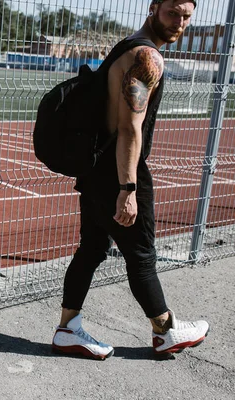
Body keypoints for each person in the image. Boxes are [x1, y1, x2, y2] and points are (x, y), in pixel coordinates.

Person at [52, 0, 209, 360]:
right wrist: (129, 188)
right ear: (154, 8)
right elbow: (129, 127)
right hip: (119, 171)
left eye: (186, 16)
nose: (179, 22)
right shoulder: (147, 57)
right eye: (173, 12)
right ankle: (165, 331)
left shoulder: (127, 45)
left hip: (94, 167)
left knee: (91, 249)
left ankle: (67, 329)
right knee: (140, 255)